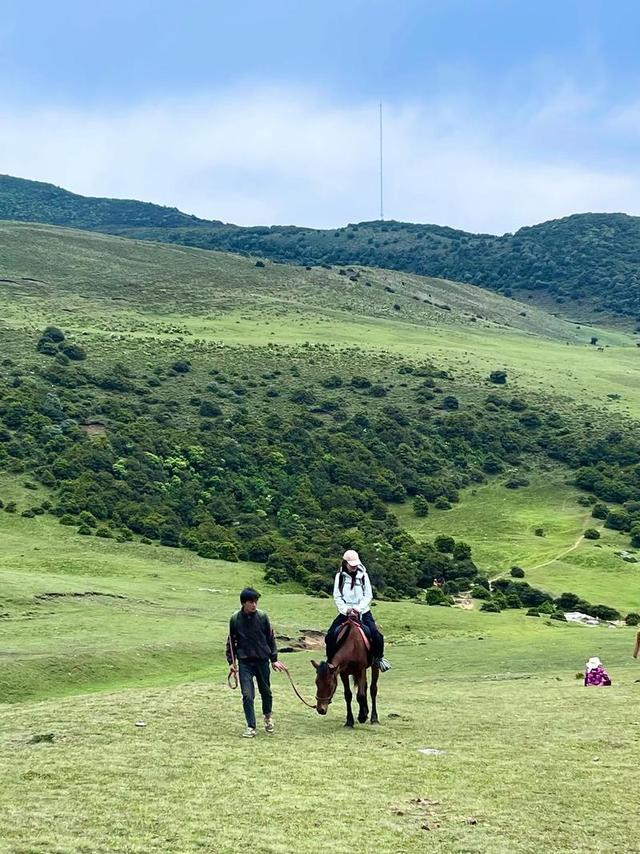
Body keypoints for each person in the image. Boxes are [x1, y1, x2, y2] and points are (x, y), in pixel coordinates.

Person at [226, 587, 286, 738]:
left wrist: (274, 659)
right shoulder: (235, 619)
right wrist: (231, 663)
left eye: (256, 602)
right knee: (247, 695)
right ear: (244, 603)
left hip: (262, 661)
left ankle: (267, 717)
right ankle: (251, 726)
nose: (254, 605)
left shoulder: (263, 617)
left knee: (266, 692)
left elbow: (270, 639)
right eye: (251, 602)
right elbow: (231, 643)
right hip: (245, 662)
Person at [325, 549, 391, 672]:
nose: (354, 567)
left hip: (363, 612)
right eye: (352, 565)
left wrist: (358, 609)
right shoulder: (339, 577)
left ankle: (379, 659)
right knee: (330, 635)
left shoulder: (364, 576)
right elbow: (337, 596)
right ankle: (330, 662)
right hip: (346, 613)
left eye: (356, 565)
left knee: (377, 635)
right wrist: (346, 610)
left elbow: (368, 595)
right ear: (345, 563)